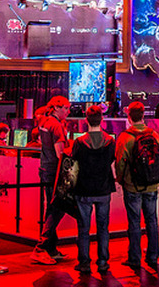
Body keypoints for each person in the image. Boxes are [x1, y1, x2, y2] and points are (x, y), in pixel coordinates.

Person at [115, 101, 159, 270]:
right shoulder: (154, 134)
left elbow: (120, 162)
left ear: (129, 117)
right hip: (152, 184)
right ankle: (153, 256)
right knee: (152, 220)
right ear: (143, 115)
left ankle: (135, 258)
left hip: (132, 185)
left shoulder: (125, 137)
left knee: (134, 222)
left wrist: (121, 180)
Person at [72, 105, 116, 274]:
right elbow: (111, 159)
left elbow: (73, 161)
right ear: (102, 120)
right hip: (104, 188)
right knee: (103, 227)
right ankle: (103, 261)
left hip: (84, 188)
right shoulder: (110, 141)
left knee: (83, 228)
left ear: (86, 121)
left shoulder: (79, 142)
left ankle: (84, 262)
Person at [32, 96, 71, 265]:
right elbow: (60, 153)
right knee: (57, 208)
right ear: (56, 107)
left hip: (45, 168)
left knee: (52, 207)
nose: (68, 111)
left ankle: (51, 248)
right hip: (55, 171)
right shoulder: (56, 126)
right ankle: (41, 248)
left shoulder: (44, 121)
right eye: (66, 108)